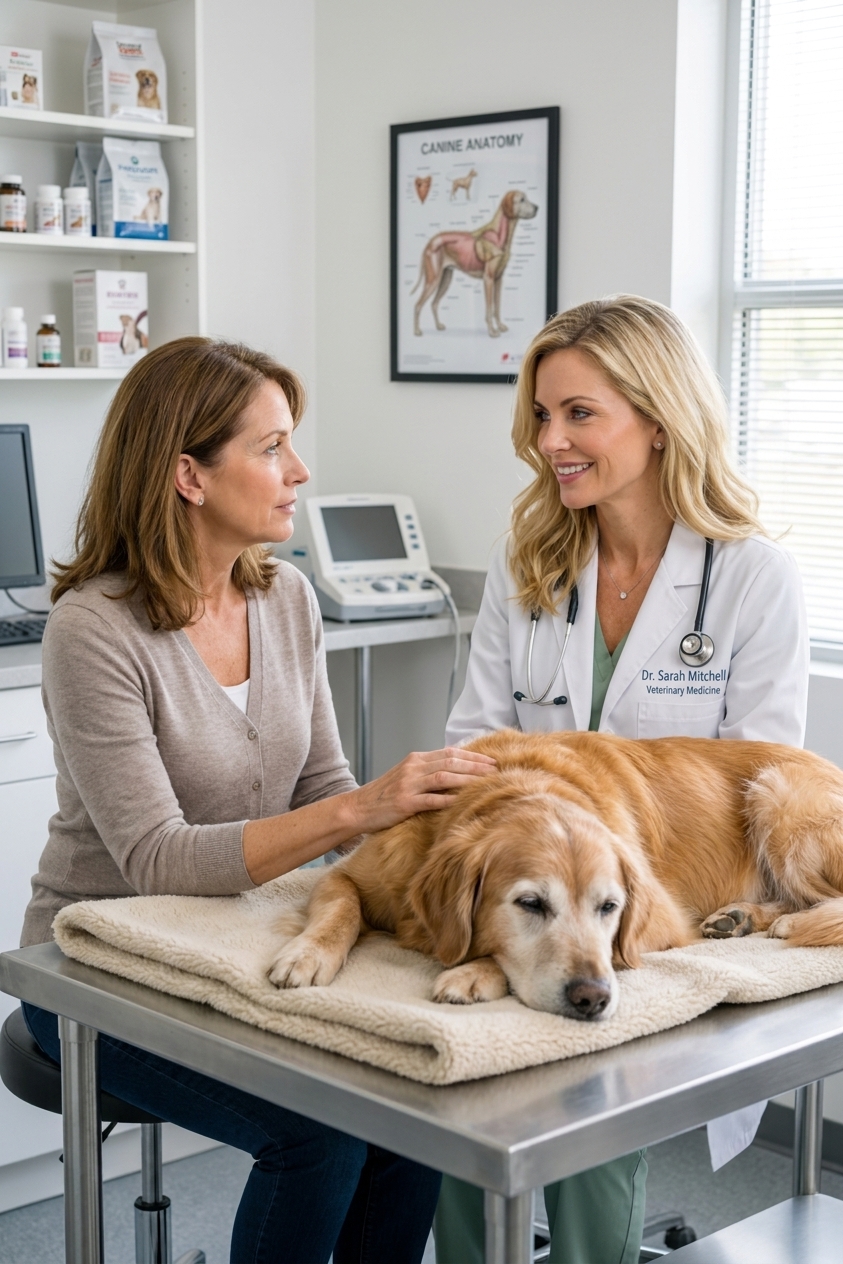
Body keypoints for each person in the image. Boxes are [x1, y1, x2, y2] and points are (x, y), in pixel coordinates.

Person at [20, 337, 495, 1264]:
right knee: (316, 1134)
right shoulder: (93, 630)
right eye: (272, 448)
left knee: (410, 1105)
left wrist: (424, 823)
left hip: (231, 941)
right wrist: (361, 811)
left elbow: (323, 787)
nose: (300, 472)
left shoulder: (286, 600)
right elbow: (159, 856)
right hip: (92, 961)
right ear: (188, 475)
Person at [434, 295, 809, 1264]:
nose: (550, 440)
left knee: (591, 1102)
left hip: (677, 904)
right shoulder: (530, 560)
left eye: (578, 414)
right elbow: (472, 748)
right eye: (542, 417)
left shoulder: (750, 575)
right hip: (541, 899)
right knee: (457, 1088)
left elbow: (751, 782)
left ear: (655, 414)